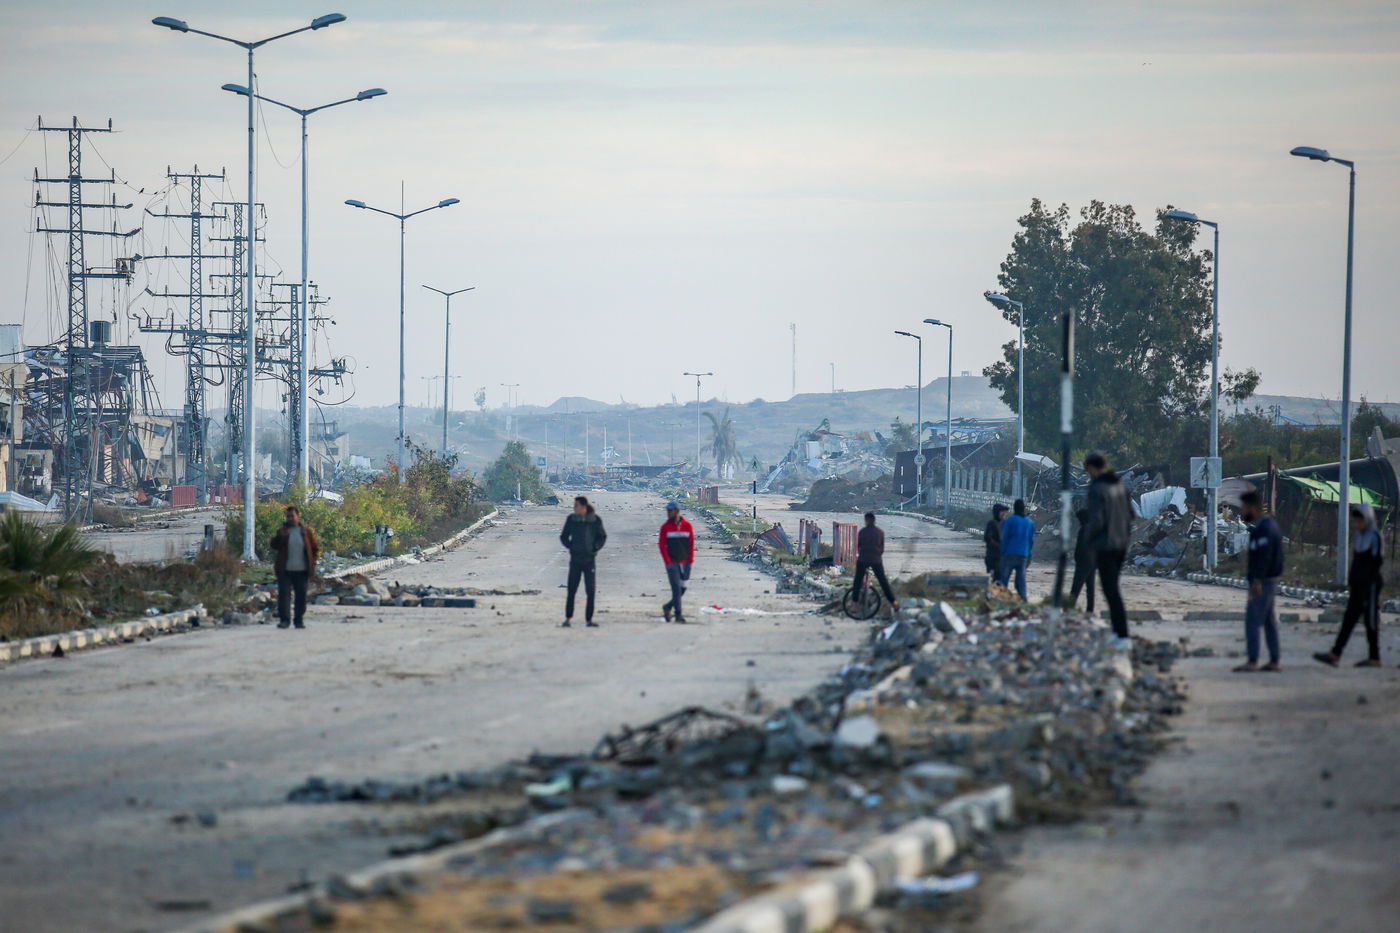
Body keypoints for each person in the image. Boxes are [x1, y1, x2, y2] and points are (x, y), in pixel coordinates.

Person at [1314, 503, 1385, 668]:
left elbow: (1375, 563)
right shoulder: (1359, 536)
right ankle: (1335, 654)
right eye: (1356, 521)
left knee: (1370, 620)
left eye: (1360, 520)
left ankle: (1374, 657)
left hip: (1370, 585)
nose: (1357, 524)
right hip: (1358, 586)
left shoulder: (1374, 536)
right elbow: (1356, 561)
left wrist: (1366, 582)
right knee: (1349, 619)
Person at [1083, 452, 1133, 649]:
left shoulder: (1097, 488)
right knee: (1113, 590)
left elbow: (1096, 520)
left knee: (1110, 590)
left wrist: (1088, 539)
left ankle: (1122, 635)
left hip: (1105, 545)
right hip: (1121, 544)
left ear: (1091, 468)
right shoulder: (1120, 486)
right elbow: (1130, 515)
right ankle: (1118, 633)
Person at [1236, 490, 1283, 672]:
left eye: (1245, 508)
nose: (1243, 512)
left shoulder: (1266, 529)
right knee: (1269, 621)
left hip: (1263, 581)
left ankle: (1252, 660)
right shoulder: (1264, 527)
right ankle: (1274, 660)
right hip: (1266, 580)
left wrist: (1256, 580)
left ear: (1253, 508)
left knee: (1253, 620)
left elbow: (1264, 557)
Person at [559, 495, 606, 628]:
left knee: (590, 591)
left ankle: (589, 620)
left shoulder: (595, 520)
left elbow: (602, 537)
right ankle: (568, 618)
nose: (574, 508)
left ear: (584, 507)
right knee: (572, 590)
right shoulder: (572, 519)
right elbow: (563, 536)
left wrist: (595, 548)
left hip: (590, 560)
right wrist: (571, 547)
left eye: (576, 506)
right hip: (575, 560)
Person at [270, 505, 319, 630]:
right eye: (288, 516)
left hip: (302, 570)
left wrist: (312, 563)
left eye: (292, 516)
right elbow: (274, 545)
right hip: (285, 570)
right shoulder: (282, 531)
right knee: (284, 595)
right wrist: (281, 535)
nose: (290, 518)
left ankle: (299, 620)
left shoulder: (306, 532)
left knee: (301, 596)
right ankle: (285, 620)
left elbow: (314, 548)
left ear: (298, 516)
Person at [658, 500, 696, 623]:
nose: (668, 513)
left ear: (677, 511)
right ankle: (678, 614)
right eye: (667, 511)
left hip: (685, 562)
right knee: (676, 589)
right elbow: (662, 545)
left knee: (682, 588)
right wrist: (667, 561)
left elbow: (691, 544)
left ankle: (668, 606)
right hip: (672, 563)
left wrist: (690, 560)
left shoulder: (687, 526)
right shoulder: (665, 527)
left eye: (670, 511)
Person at [851, 511, 897, 611]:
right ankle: (893, 602)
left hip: (863, 560)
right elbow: (882, 549)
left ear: (866, 521)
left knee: (857, 581)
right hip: (876, 560)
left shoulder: (862, 532)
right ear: (874, 521)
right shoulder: (880, 532)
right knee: (883, 581)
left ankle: (855, 603)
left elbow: (858, 547)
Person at [997, 499, 1035, 600]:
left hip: (1009, 553)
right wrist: (1029, 555)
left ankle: (1002, 598)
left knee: (1004, 578)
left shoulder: (1010, 520)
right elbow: (1031, 540)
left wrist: (1002, 552)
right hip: (1023, 554)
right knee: (1021, 579)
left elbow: (1004, 538)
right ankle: (1023, 598)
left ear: (1014, 508)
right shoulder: (1029, 522)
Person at [1068, 507, 1096, 613]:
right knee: (1090, 587)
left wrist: (1076, 557)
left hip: (1083, 561)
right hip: (1093, 561)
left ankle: (1070, 608)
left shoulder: (1083, 529)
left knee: (1076, 587)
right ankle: (1090, 609)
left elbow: (1081, 546)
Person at [983, 503, 1007, 578]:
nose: (1004, 514)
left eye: (1004, 512)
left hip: (1001, 556)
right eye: (1002, 511)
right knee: (994, 578)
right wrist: (999, 545)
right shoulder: (992, 524)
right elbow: (988, 538)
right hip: (993, 556)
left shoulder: (1005, 523)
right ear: (997, 512)